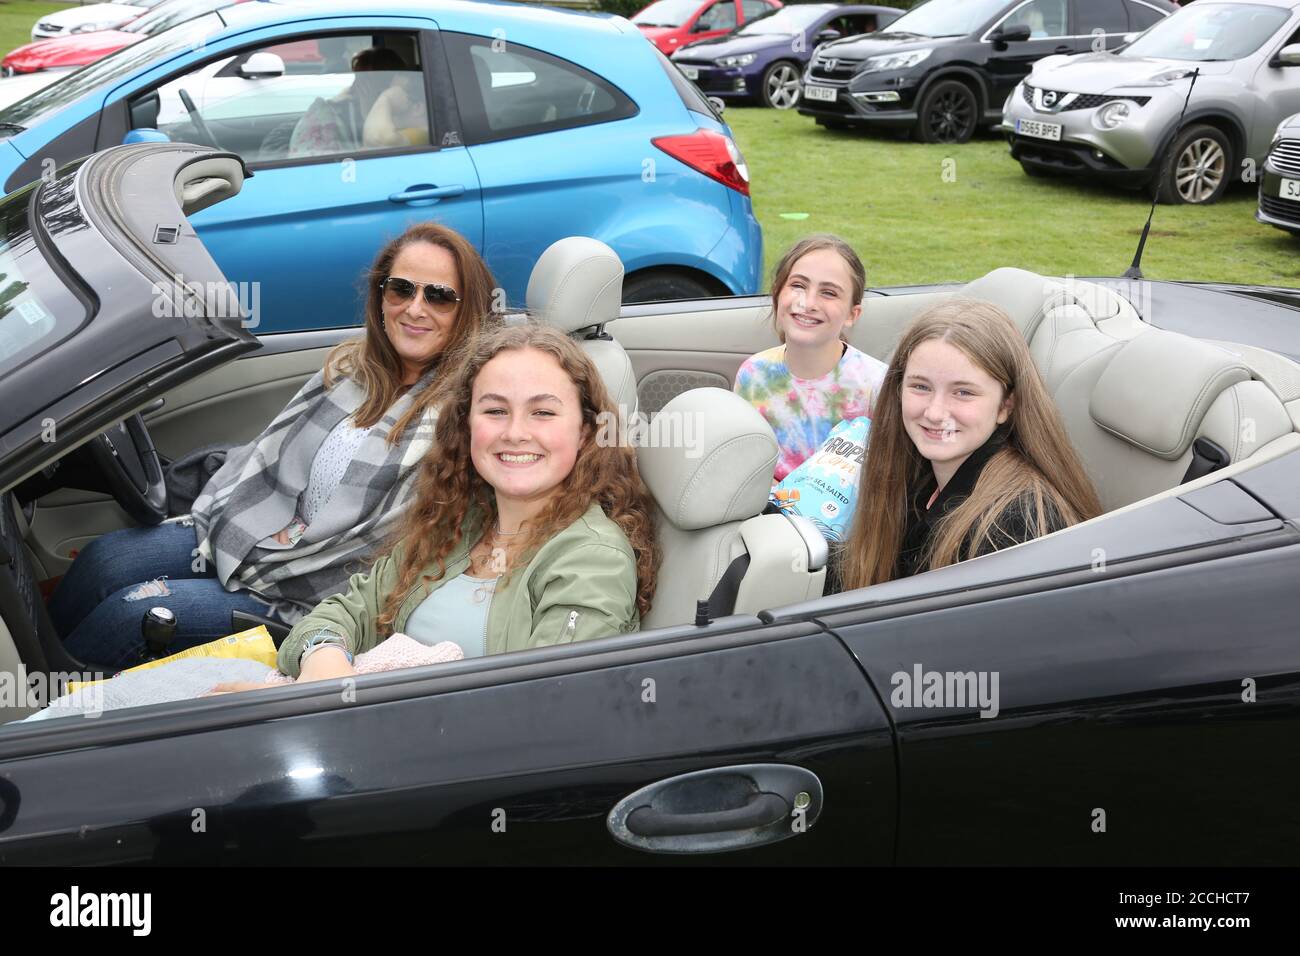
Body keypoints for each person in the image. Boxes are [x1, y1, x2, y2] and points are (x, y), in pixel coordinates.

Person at [50, 222, 499, 669]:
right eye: (400, 289)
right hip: (263, 534)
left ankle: (47, 716)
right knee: (104, 561)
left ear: (468, 310)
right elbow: (269, 465)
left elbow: (388, 562)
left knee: (130, 615)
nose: (414, 308)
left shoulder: (462, 415)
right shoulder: (354, 372)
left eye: (438, 296)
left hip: (313, 597)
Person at [206, 324, 661, 691]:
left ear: (584, 432)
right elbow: (345, 610)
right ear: (465, 428)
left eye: (543, 412)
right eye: (495, 410)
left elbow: (540, 710)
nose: (516, 432)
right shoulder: (458, 522)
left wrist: (310, 707)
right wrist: (324, 661)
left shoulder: (592, 559)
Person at [835, 298, 1102, 590]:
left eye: (963, 392)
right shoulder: (923, 473)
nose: (935, 413)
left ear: (1005, 406)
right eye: (920, 386)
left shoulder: (1012, 526)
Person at [734, 235, 887, 482]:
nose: (808, 302)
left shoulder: (876, 385)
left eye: (828, 293)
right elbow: (744, 462)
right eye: (798, 285)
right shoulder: (753, 374)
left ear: (852, 314)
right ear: (777, 295)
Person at [288, 47, 427, 157]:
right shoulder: (333, 110)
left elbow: (377, 142)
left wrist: (385, 99)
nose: (358, 85)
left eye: (365, 79)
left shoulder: (420, 130)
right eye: (359, 79)